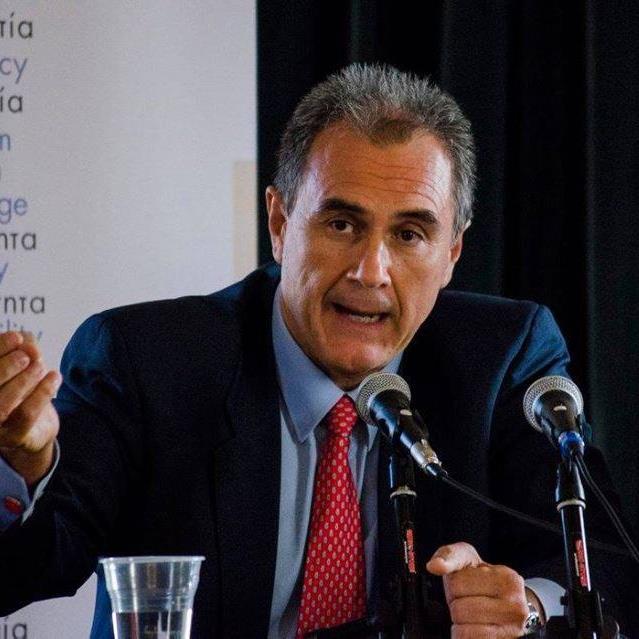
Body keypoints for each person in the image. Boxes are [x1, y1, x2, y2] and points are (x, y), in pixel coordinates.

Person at [0, 64, 634, 639]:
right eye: (341, 224)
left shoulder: (502, 359)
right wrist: (24, 466)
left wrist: (527, 604)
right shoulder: (148, 361)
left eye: (410, 234)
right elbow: (34, 565)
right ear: (280, 224)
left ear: (452, 254)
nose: (371, 271)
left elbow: (608, 566)